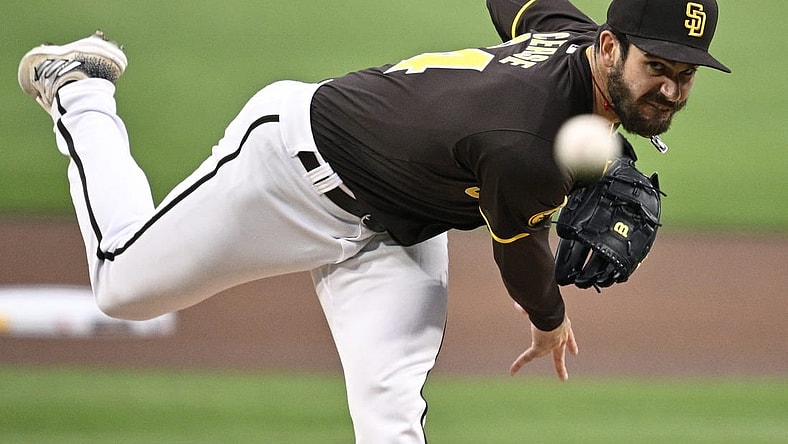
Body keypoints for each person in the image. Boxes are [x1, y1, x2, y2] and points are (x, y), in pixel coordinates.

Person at [18, 0, 729, 441]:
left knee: (390, 421)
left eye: (687, 73)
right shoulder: (527, 145)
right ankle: (81, 89)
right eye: (657, 65)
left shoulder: (570, 39)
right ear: (610, 47)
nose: (670, 86)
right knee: (121, 287)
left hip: (396, 232)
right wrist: (550, 322)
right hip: (290, 172)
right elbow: (519, 258)